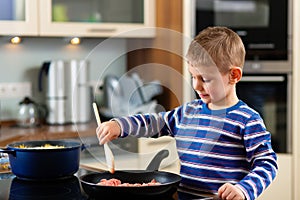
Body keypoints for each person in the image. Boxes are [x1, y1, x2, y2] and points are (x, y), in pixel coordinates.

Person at [96, 26, 278, 200]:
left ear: (234, 76)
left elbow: (267, 163)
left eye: (205, 79)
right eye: (193, 76)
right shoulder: (188, 113)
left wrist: (243, 189)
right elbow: (154, 123)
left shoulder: (248, 120)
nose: (196, 86)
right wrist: (119, 125)